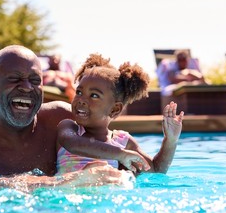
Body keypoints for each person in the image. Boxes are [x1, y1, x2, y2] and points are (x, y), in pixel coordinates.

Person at [0, 45, 127, 192]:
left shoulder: (60, 121)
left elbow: (127, 161)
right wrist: (65, 182)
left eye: (35, 80)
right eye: (15, 79)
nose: (27, 87)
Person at [56, 53, 184, 175]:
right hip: (70, 189)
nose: (81, 100)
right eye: (79, 92)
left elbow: (155, 171)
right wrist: (120, 154)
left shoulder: (122, 141)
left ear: (115, 109)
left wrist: (170, 141)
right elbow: (72, 144)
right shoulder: (70, 128)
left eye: (94, 95)